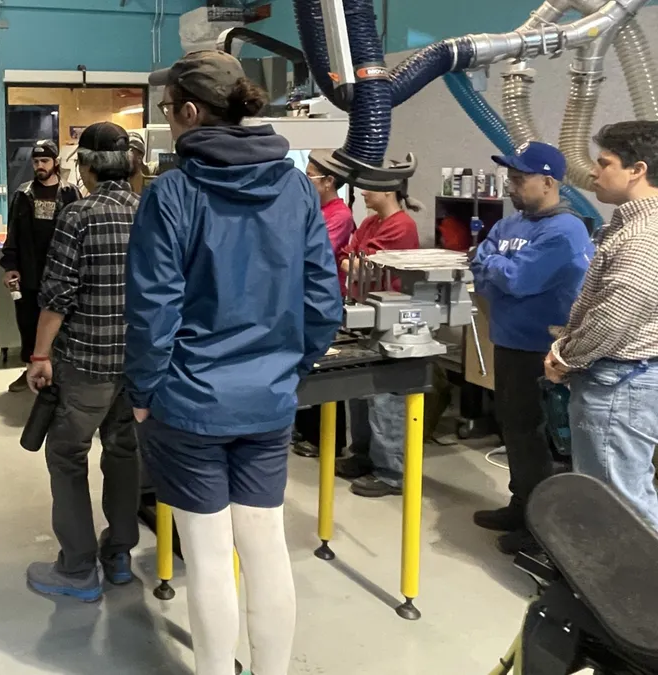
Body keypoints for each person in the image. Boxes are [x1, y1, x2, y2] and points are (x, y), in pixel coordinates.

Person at [128, 52, 342, 675]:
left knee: (209, 554)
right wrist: (286, 371)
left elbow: (152, 312)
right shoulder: (297, 186)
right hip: (268, 401)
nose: (168, 123)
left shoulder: (172, 193)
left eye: (168, 111)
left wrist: (144, 389)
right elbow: (322, 300)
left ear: (191, 113)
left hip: (191, 403)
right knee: (266, 545)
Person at [24, 122, 141, 602]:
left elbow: (57, 296)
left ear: (87, 165)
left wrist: (39, 354)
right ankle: (118, 555)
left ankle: (76, 568)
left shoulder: (78, 215)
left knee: (67, 455)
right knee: (123, 454)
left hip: (86, 365)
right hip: (136, 366)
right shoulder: (148, 211)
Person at [469, 142, 593, 554]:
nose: (512, 185)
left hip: (543, 351)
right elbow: (480, 263)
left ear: (549, 181)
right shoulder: (511, 224)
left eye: (520, 179)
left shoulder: (566, 229)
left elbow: (516, 280)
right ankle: (520, 504)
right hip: (508, 341)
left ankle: (543, 529)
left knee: (539, 439)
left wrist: (494, 268)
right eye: (512, 177)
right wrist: (495, 268)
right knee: (516, 432)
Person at [546, 121, 658, 530]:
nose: (593, 171)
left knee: (618, 502)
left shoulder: (644, 234)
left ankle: (637, 590)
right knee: (618, 492)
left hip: (619, 382)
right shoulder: (632, 225)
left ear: (637, 170)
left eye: (604, 162)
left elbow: (617, 312)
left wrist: (566, 357)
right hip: (626, 379)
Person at [336, 187, 422, 498]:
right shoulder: (371, 223)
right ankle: (362, 454)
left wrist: (356, 263)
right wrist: (356, 263)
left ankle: (391, 472)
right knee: (359, 391)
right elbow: (347, 257)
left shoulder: (402, 226)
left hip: (393, 319)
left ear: (388, 190)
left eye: (369, 186)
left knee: (385, 396)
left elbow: (363, 268)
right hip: (366, 313)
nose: (361, 192)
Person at [1, 140, 81, 392]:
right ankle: (28, 370)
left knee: (62, 326)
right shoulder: (23, 194)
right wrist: (10, 266)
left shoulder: (71, 194)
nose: (39, 166)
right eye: (36, 162)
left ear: (55, 162)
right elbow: (12, 233)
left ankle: (60, 374)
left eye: (44, 161)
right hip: (29, 273)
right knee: (27, 324)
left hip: (61, 274)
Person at [294, 156, 357, 459]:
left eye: (311, 176)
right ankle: (307, 430)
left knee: (323, 371)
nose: (305, 180)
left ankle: (327, 441)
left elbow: (312, 251)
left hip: (323, 301)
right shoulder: (314, 211)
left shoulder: (339, 215)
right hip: (302, 299)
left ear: (329, 181)